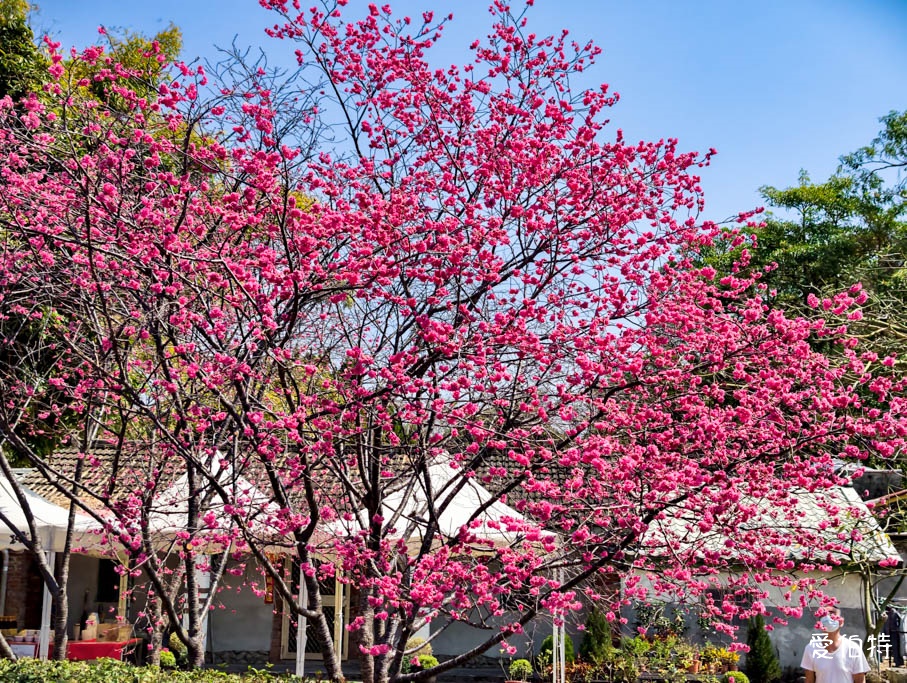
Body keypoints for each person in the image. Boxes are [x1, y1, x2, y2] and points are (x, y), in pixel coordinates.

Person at [801, 608, 870, 683]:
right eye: (824, 614)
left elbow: (860, 680)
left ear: (841, 622)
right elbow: (809, 680)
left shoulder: (853, 648)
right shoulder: (811, 648)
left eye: (832, 614)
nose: (828, 617)